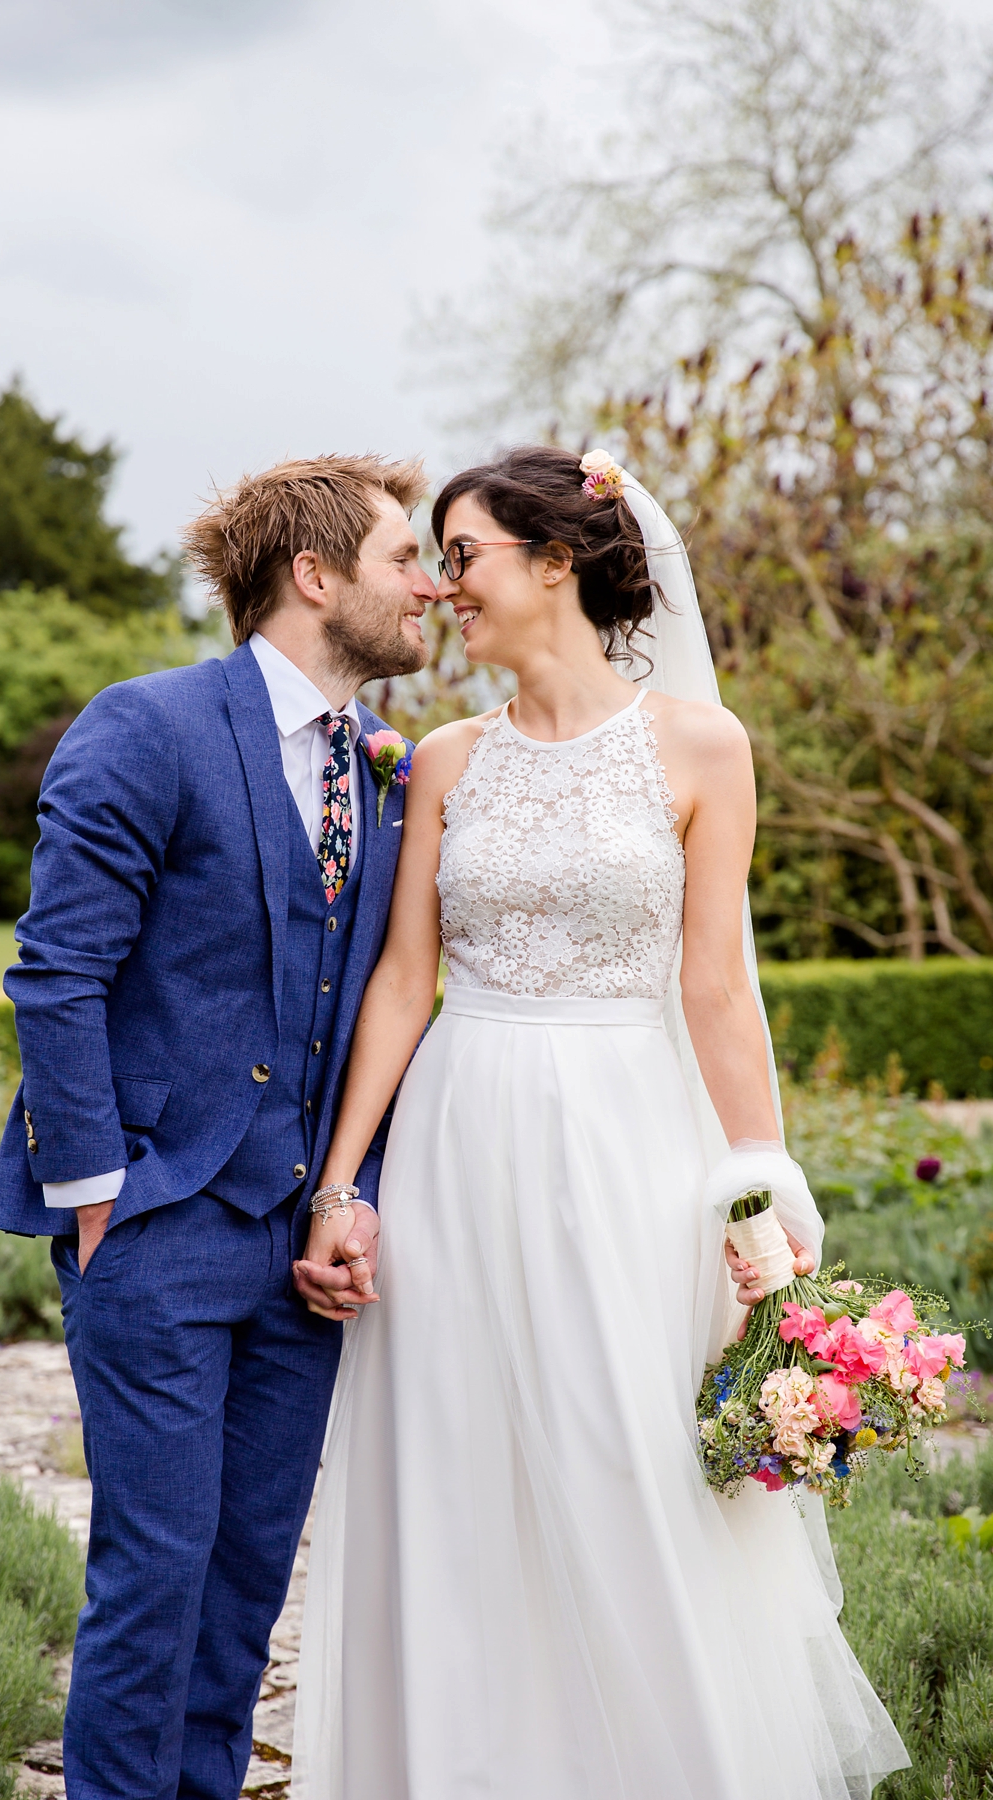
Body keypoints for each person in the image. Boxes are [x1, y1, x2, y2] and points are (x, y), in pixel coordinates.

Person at [291, 446, 909, 1799]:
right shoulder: (444, 760)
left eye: (464, 557)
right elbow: (406, 980)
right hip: (463, 1138)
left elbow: (714, 984)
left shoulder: (701, 746)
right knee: (458, 1475)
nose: (446, 587)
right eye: (440, 561)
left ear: (556, 562)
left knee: (624, 1455)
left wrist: (756, 1182)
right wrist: (340, 1181)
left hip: (633, 1140)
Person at [0, 453, 435, 1800]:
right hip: (159, 1227)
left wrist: (349, 1198)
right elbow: (56, 971)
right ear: (315, 577)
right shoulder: (149, 724)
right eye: (405, 557)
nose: (430, 585)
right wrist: (95, 1188)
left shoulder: (379, 769)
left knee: (242, 1592)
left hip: (299, 1245)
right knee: (156, 1576)